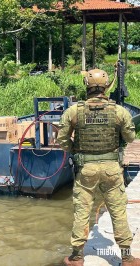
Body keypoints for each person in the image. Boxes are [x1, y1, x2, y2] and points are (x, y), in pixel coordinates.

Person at [57, 68, 139, 266]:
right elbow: (130, 137)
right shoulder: (119, 111)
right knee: (118, 211)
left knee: (82, 211)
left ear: (87, 85)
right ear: (106, 86)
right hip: (112, 169)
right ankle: (127, 257)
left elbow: (62, 140)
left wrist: (74, 151)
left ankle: (77, 256)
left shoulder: (73, 111)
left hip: (86, 170)